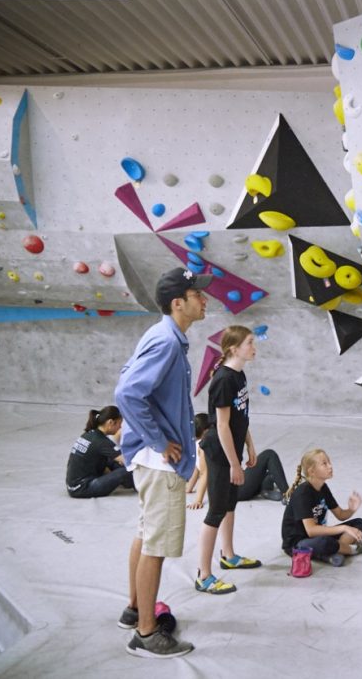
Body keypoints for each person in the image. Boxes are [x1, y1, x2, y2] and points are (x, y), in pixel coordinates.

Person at [114, 267, 210, 658]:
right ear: (178, 303)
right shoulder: (168, 343)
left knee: (145, 533)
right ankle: (146, 633)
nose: (205, 300)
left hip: (150, 460)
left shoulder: (164, 335)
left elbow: (126, 375)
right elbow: (127, 392)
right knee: (155, 545)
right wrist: (159, 440)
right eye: (197, 295)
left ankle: (136, 608)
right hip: (160, 463)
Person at [192, 325, 264, 595]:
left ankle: (229, 555)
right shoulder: (223, 379)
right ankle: (204, 575)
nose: (254, 347)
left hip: (233, 448)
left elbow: (240, 417)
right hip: (220, 453)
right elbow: (221, 426)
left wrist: (250, 445)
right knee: (216, 511)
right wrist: (234, 463)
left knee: (230, 504)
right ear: (233, 348)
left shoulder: (239, 375)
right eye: (249, 343)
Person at [281, 448, 362, 568]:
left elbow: (341, 515)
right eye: (324, 464)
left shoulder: (323, 488)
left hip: (317, 537)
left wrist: (351, 509)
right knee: (324, 542)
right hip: (297, 543)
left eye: (329, 462)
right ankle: (354, 549)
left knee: (359, 523)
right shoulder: (302, 493)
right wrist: (344, 528)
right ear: (312, 471)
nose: (330, 466)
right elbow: (311, 531)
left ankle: (335, 551)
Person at [186, 413, 288, 509]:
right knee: (269, 455)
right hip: (237, 489)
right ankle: (288, 494)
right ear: (206, 430)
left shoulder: (196, 444)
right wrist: (198, 500)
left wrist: (188, 488)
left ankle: (264, 489)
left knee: (270, 473)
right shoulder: (206, 445)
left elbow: (197, 468)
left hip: (234, 485)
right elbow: (205, 474)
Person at [65, 406, 135, 498]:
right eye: (119, 424)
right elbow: (127, 462)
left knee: (113, 460)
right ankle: (140, 485)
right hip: (82, 488)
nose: (120, 427)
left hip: (73, 485)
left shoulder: (90, 434)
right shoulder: (101, 442)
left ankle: (129, 482)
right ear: (110, 422)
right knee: (126, 470)